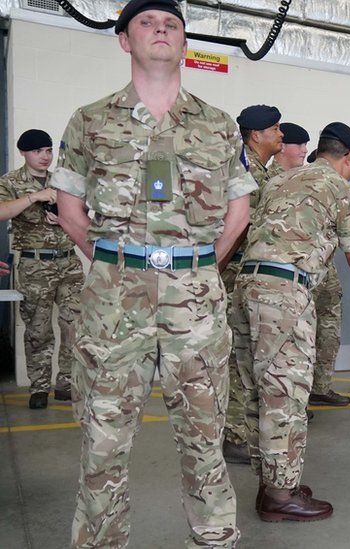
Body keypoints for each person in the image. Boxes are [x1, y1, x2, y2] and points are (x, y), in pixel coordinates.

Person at [51, 0, 255, 544]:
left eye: (171, 24)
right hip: (113, 298)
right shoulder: (91, 120)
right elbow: (69, 207)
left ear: (184, 42)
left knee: (205, 432)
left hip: (197, 297)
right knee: (103, 436)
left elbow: (239, 211)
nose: (160, 29)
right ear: (124, 40)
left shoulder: (216, 124)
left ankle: (215, 538)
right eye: (146, 22)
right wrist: (116, 265)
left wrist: (200, 266)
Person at [232, 122, 350, 521]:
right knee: (287, 392)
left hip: (246, 286)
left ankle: (271, 482)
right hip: (283, 292)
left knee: (258, 389)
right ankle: (281, 496)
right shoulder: (341, 189)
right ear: (348, 158)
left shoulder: (282, 179)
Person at [0, 129, 83, 409]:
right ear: (23, 152)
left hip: (69, 262)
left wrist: (65, 218)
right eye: (38, 151)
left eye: (48, 150)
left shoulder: (63, 180)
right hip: (35, 265)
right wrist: (35, 197)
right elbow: (1, 211)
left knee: (74, 325)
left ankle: (66, 383)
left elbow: (86, 211)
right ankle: (38, 388)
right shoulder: (11, 181)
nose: (45, 156)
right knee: (38, 329)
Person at [223, 103, 283, 463]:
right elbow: (236, 226)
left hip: (245, 275)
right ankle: (234, 434)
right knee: (237, 357)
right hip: (233, 275)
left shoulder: (262, 170)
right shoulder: (243, 171)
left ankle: (241, 430)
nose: (281, 134)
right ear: (256, 135)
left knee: (247, 356)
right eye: (275, 129)